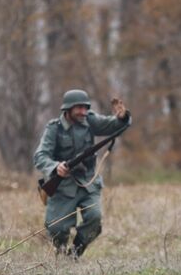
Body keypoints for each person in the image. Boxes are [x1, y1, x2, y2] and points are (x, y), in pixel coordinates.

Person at [33, 89, 130, 258]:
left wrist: (122, 118)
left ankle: (76, 251)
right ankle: (61, 253)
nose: (83, 112)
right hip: (63, 185)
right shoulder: (54, 129)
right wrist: (56, 167)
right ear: (67, 109)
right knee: (56, 228)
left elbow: (114, 126)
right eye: (79, 108)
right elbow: (40, 156)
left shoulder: (90, 120)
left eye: (85, 107)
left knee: (94, 217)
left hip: (88, 183)